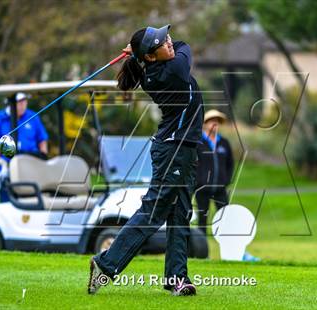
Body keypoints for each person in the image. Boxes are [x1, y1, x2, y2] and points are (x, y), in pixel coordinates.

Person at [88, 25, 204, 296]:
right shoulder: (173, 71)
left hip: (182, 149)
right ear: (151, 57)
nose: (170, 43)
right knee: (154, 213)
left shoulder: (153, 69)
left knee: (180, 214)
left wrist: (138, 50)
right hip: (173, 150)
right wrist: (137, 51)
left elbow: (176, 46)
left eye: (167, 37)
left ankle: (177, 278)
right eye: (162, 43)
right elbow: (186, 47)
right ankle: (105, 264)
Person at [0, 92, 49, 202]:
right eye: (19, 102)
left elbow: (42, 140)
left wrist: (44, 163)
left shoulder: (32, 116)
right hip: (7, 169)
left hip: (32, 167)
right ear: (10, 104)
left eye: (24, 101)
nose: (23, 104)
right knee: (8, 205)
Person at [195, 110, 234, 234]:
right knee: (202, 219)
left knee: (225, 217)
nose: (214, 124)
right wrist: (198, 181)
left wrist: (226, 180)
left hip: (220, 188)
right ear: (205, 123)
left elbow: (230, 163)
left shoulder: (224, 142)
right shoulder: (198, 142)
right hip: (202, 188)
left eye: (217, 121)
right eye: (212, 121)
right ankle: (201, 249)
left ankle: (227, 244)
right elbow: (192, 164)